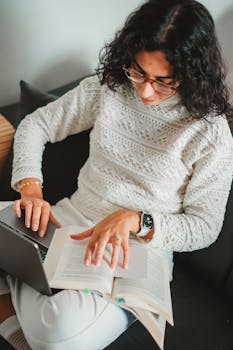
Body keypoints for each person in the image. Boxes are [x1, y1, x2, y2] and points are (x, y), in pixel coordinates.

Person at [1, 0, 233, 349]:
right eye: (138, 72)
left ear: (193, 72)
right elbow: (36, 124)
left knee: (60, 333)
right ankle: (25, 288)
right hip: (66, 221)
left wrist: (138, 220)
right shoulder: (109, 87)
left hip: (137, 251)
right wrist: (31, 189)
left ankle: (10, 303)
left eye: (163, 81)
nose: (145, 91)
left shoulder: (210, 134)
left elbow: (204, 228)